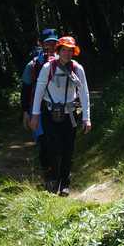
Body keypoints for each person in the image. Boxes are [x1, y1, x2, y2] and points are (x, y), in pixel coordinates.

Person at [27, 35, 92, 195]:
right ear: (58, 51)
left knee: (68, 149)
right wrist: (35, 115)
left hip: (70, 114)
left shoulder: (77, 68)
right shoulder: (48, 68)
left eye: (70, 51)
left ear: (74, 52)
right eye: (64, 50)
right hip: (49, 114)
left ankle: (64, 184)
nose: (67, 54)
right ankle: (53, 179)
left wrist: (87, 118)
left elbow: (84, 93)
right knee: (52, 148)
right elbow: (39, 92)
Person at [19, 28, 60, 132]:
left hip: (61, 109)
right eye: (47, 44)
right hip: (39, 110)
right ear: (41, 44)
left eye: (54, 43)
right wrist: (25, 112)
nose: (51, 47)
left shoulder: (65, 62)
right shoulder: (32, 66)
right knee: (43, 139)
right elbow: (26, 90)